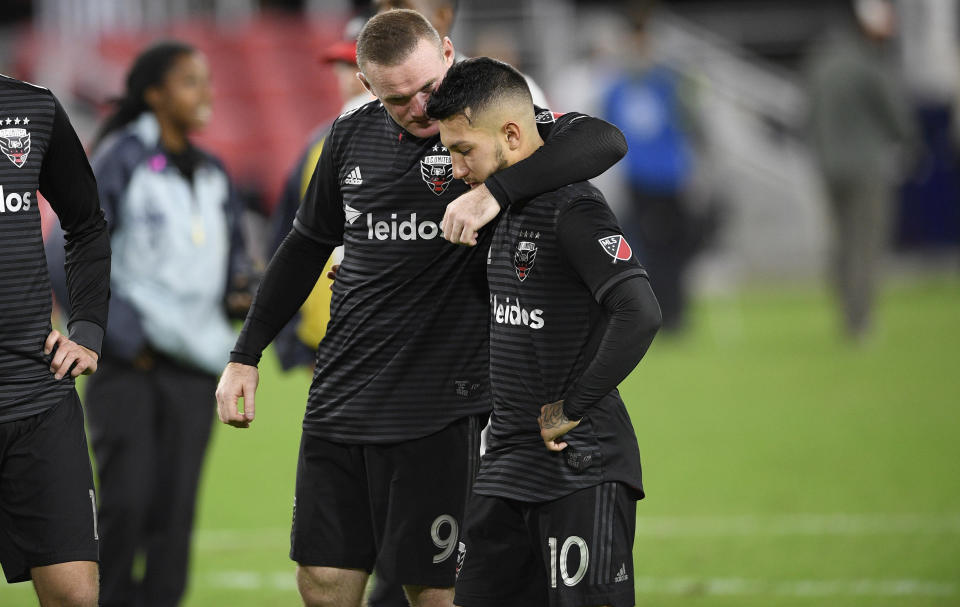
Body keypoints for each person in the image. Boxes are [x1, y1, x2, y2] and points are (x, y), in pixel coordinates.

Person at [215, 9, 627, 607]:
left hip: (442, 406)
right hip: (339, 396)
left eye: (427, 88)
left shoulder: (484, 127)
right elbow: (305, 246)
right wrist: (244, 355)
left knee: (436, 591)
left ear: (448, 55)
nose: (418, 108)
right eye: (398, 98)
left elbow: (605, 140)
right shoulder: (349, 137)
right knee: (323, 582)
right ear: (367, 88)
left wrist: (495, 192)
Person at [426, 56, 661, 607]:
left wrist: (573, 405)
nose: (456, 169)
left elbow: (640, 310)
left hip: (580, 465)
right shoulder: (497, 208)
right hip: (505, 467)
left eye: (463, 150)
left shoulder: (573, 208)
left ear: (512, 133)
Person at [48, 41, 252, 607]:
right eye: (190, 82)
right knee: (125, 506)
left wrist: (241, 289)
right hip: (129, 370)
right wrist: (111, 334)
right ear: (156, 94)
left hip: (194, 371)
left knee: (174, 515)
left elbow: (235, 254)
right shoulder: (121, 158)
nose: (206, 93)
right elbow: (64, 248)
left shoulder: (213, 171)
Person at [0, 74, 110, 606]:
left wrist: (86, 329)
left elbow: (86, 222)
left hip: (38, 395)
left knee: (74, 596)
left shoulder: (31, 109)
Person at [805, 0, 917, 340]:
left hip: (828, 165)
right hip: (865, 166)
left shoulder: (821, 61)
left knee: (841, 243)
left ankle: (845, 312)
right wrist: (911, 143)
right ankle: (860, 320)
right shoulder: (869, 62)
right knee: (864, 244)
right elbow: (894, 114)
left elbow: (808, 113)